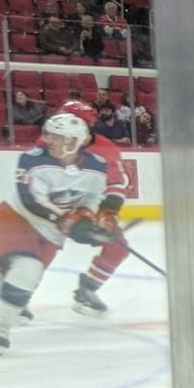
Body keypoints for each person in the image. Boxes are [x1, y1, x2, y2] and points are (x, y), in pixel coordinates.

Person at [0, 112, 125, 353]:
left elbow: (93, 196)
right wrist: (68, 222)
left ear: (72, 142)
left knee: (15, 274)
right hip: (16, 218)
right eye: (48, 134)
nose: (46, 140)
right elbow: (31, 200)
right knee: (26, 268)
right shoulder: (31, 160)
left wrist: (88, 216)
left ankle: (3, 315)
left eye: (54, 136)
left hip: (51, 230)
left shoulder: (96, 165)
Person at [42, 99, 132, 314]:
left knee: (118, 247)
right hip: (52, 208)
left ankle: (87, 290)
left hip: (89, 206)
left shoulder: (105, 148)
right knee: (38, 255)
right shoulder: (46, 144)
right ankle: (16, 299)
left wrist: (108, 210)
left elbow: (115, 183)